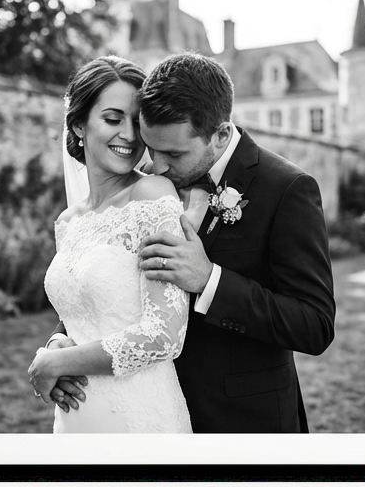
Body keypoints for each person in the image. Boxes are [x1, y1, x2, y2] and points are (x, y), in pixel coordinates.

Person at [45, 52, 336, 433]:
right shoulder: (142, 179)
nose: (157, 165)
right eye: (152, 148)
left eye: (173, 154)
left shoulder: (285, 188)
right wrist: (61, 340)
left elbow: (314, 324)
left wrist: (210, 280)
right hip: (143, 404)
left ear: (221, 135)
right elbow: (107, 283)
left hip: (241, 422)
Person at [27, 56, 192, 433]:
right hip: (75, 419)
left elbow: (165, 335)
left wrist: (58, 364)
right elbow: (83, 311)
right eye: (113, 119)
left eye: (137, 122)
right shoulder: (68, 221)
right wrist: (56, 343)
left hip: (139, 418)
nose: (130, 136)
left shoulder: (152, 195)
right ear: (79, 124)